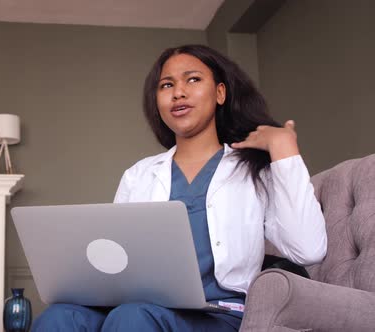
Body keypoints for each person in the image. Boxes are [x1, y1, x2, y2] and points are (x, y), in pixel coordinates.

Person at [31, 44, 327, 331]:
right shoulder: (139, 175)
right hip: (139, 306)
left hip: (218, 314)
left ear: (220, 93)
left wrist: (283, 146)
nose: (178, 93)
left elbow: (308, 249)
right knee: (60, 318)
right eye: (166, 85)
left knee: (134, 317)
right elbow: (117, 259)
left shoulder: (254, 171)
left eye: (193, 79)